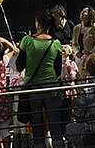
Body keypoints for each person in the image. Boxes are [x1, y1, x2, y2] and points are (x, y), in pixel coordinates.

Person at [17, 9, 63, 148]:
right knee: (54, 124)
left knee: (37, 126)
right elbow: (58, 70)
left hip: (33, 88)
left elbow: (19, 66)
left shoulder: (27, 41)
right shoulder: (56, 43)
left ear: (38, 24)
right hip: (51, 86)